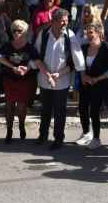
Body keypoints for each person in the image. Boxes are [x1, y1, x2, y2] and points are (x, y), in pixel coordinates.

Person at [32, 9, 86, 150]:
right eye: (62, 20)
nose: (65, 23)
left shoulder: (70, 36)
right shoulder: (43, 35)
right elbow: (36, 55)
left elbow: (76, 60)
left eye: (66, 21)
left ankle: (58, 138)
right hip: (44, 79)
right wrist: (37, 69)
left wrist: (61, 74)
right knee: (45, 110)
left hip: (62, 80)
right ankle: (42, 135)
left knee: (60, 111)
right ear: (53, 21)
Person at [77, 23, 108, 148]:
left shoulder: (107, 48)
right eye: (87, 32)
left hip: (100, 84)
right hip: (85, 83)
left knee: (94, 111)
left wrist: (97, 79)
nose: (88, 35)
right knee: (82, 108)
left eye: (91, 32)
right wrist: (83, 75)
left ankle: (96, 138)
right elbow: (79, 64)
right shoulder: (83, 48)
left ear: (98, 33)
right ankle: (86, 133)